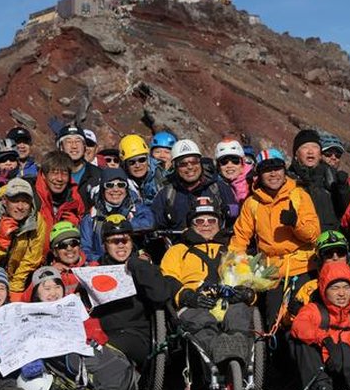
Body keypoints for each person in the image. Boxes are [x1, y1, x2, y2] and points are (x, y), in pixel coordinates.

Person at [229, 148, 319, 327]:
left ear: (284, 170)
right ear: (259, 174)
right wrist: (237, 268)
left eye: (277, 168)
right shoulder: (252, 203)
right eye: (266, 170)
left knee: (305, 321)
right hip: (271, 274)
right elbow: (240, 238)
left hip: (302, 268)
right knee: (273, 323)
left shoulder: (299, 195)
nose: (273, 174)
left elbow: (313, 234)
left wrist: (295, 224)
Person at [160, 197, 256, 353]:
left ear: (219, 225)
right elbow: (168, 278)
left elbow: (248, 280)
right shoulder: (177, 251)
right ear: (191, 225)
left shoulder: (233, 250)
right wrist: (186, 296)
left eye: (211, 221)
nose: (206, 225)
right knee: (202, 321)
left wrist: (246, 293)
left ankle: (236, 364)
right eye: (199, 221)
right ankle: (219, 360)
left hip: (229, 302)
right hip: (194, 303)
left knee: (239, 315)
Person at [290, 263, 350, 390]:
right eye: (335, 288)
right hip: (320, 371)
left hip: (349, 374)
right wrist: (324, 339)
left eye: (346, 287)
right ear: (324, 289)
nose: (342, 293)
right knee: (299, 340)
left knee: (344, 349)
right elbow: (298, 325)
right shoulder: (314, 310)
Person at [91, 217, 171, 367]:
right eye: (115, 241)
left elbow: (161, 295)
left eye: (125, 240)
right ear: (105, 245)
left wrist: (137, 265)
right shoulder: (95, 271)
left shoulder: (143, 267)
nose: (120, 245)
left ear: (132, 242)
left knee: (105, 350)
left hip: (136, 334)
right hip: (103, 333)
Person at [0, 178, 47, 300]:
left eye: (25, 201)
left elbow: (31, 259)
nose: (20, 207)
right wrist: (1, 241)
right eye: (15, 201)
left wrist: (15, 289)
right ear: (5, 201)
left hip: (15, 277)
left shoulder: (37, 222)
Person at [291, 230, 350, 325]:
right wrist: (298, 313)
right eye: (328, 254)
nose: (335, 257)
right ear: (320, 259)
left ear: (347, 255)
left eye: (340, 252)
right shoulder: (310, 287)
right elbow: (287, 319)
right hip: (322, 338)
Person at [151, 139, 237, 231]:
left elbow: (235, 221)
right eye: (183, 163)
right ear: (175, 166)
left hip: (216, 244)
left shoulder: (219, 189)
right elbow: (156, 225)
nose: (190, 167)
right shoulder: (166, 194)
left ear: (201, 162)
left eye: (194, 161)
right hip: (179, 244)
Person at [79, 167, 154, 261]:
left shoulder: (136, 208)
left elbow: (149, 222)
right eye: (109, 185)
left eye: (121, 185)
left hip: (134, 263)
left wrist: (122, 226)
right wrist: (102, 260)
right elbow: (85, 249)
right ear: (102, 189)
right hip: (103, 267)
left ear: (126, 189)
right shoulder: (91, 217)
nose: (116, 189)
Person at [289, 129, 350, 232]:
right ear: (296, 154)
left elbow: (346, 211)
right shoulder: (288, 179)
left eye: (315, 147)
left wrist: (343, 189)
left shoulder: (332, 176)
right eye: (305, 147)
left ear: (319, 153)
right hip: (301, 241)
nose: (310, 151)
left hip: (330, 241)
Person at [32, 150, 85, 245]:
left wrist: (77, 225)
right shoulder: (33, 198)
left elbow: (85, 226)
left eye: (64, 173)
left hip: (64, 252)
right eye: (54, 173)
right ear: (44, 175)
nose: (59, 179)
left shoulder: (74, 198)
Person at [56, 125, 102, 207]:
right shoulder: (52, 176)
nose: (74, 146)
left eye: (78, 141)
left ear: (84, 146)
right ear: (61, 147)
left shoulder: (98, 175)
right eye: (69, 142)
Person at [119, 134, 164, 206]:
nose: (138, 165)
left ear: (148, 159)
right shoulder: (120, 182)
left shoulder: (161, 177)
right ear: (125, 165)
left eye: (142, 160)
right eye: (132, 162)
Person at [214, 138, 253, 204]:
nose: (229, 165)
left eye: (235, 160)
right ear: (218, 166)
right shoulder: (215, 186)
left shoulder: (254, 181)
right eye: (224, 161)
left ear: (242, 162)